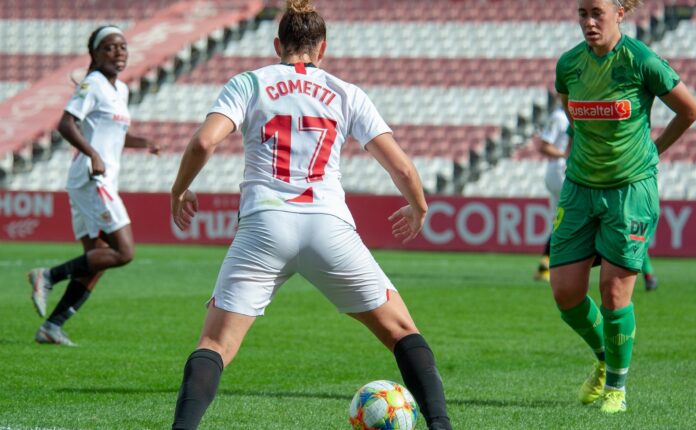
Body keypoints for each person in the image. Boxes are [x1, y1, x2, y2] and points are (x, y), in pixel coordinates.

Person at [169, 1, 452, 429]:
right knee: (401, 331)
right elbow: (402, 167)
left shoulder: (249, 83)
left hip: (264, 225)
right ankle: (442, 425)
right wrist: (419, 205)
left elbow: (203, 144)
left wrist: (179, 189)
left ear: (277, 44)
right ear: (322, 49)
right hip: (328, 225)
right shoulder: (346, 92)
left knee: (215, 343)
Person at [551, 0, 696, 414]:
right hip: (579, 188)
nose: (588, 21)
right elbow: (571, 110)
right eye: (582, 13)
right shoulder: (569, 65)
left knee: (614, 292)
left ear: (620, 13)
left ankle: (616, 385)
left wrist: (654, 150)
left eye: (597, 12)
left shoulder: (643, 62)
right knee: (565, 293)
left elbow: (690, 110)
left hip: (630, 190)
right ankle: (604, 357)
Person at [26, 25, 159, 346]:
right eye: (110, 47)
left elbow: (112, 131)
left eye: (123, 47)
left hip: (95, 177)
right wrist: (92, 153)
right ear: (95, 54)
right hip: (92, 177)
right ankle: (48, 276)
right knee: (124, 252)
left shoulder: (121, 90)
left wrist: (142, 142)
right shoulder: (93, 84)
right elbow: (65, 123)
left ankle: (52, 326)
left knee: (97, 258)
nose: (118, 53)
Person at [533, 108, 659, 293]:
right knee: (623, 226)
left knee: (562, 221)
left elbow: (565, 142)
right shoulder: (578, 113)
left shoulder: (579, 110)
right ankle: (645, 272)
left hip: (568, 173)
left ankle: (548, 266)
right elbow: (552, 145)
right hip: (585, 175)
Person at [533, 103, 570, 282]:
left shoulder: (568, 116)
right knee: (569, 219)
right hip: (560, 172)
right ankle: (558, 266)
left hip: (556, 172)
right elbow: (544, 146)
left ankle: (545, 266)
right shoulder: (560, 117)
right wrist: (566, 155)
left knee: (559, 221)